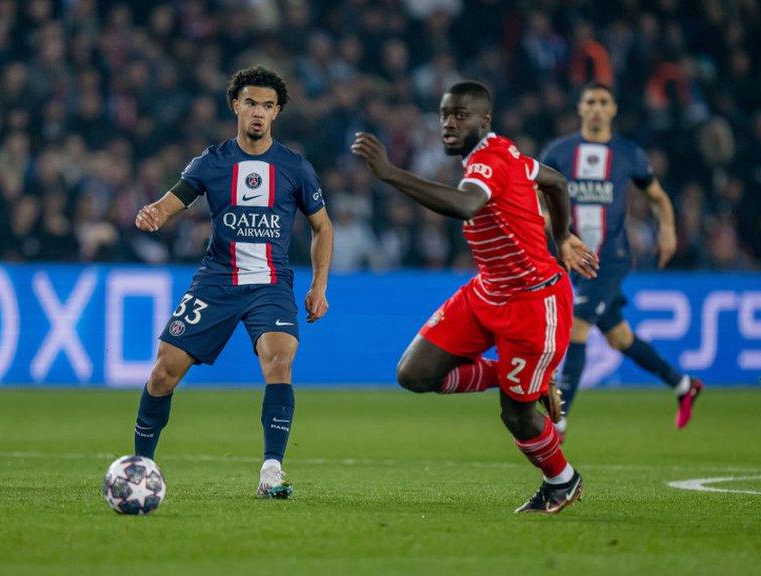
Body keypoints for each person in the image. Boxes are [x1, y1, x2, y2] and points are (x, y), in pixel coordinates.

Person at [351, 81, 599, 514]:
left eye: (460, 115)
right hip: (487, 292)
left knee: (517, 414)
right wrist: (560, 236)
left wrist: (390, 173)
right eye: (445, 113)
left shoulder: (487, 160)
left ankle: (562, 480)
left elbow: (466, 205)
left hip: (533, 302)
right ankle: (521, 376)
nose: (449, 122)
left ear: (484, 121)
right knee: (414, 373)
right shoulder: (507, 154)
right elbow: (556, 182)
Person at [131, 66, 333, 498]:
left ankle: (272, 470)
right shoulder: (213, 161)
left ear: (276, 112)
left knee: (280, 361)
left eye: (267, 105)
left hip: (271, 283)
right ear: (235, 106)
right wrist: (154, 212)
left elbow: (323, 227)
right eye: (251, 103)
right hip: (217, 280)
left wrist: (319, 286)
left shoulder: (296, 168)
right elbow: (172, 202)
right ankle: (140, 465)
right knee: (164, 373)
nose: (258, 112)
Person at [541, 83, 703, 435]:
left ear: (613, 109)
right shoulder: (558, 152)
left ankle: (560, 419)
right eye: (590, 102)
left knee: (577, 326)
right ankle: (682, 384)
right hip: (574, 259)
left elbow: (658, 197)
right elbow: (537, 195)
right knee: (618, 336)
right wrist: (547, 225)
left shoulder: (628, 153)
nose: (597, 108)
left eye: (604, 102)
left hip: (611, 257)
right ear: (580, 108)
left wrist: (668, 230)